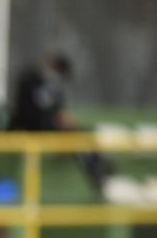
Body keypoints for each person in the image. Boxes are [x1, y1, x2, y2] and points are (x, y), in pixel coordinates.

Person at [9, 54, 112, 192]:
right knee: (75, 137)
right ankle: (98, 172)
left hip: (50, 129)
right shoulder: (29, 80)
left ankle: (100, 168)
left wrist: (65, 123)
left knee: (83, 134)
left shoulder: (54, 88)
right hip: (31, 129)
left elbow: (58, 113)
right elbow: (25, 111)